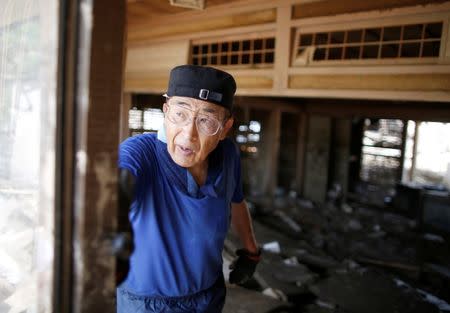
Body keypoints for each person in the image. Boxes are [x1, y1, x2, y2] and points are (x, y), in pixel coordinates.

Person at [117, 64, 261, 312]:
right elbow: (114, 186)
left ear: (225, 128)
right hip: (146, 306)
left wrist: (251, 252)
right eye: (180, 114)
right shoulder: (140, 153)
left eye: (206, 120)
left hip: (209, 298)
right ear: (165, 111)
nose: (188, 134)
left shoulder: (227, 156)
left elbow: (236, 200)